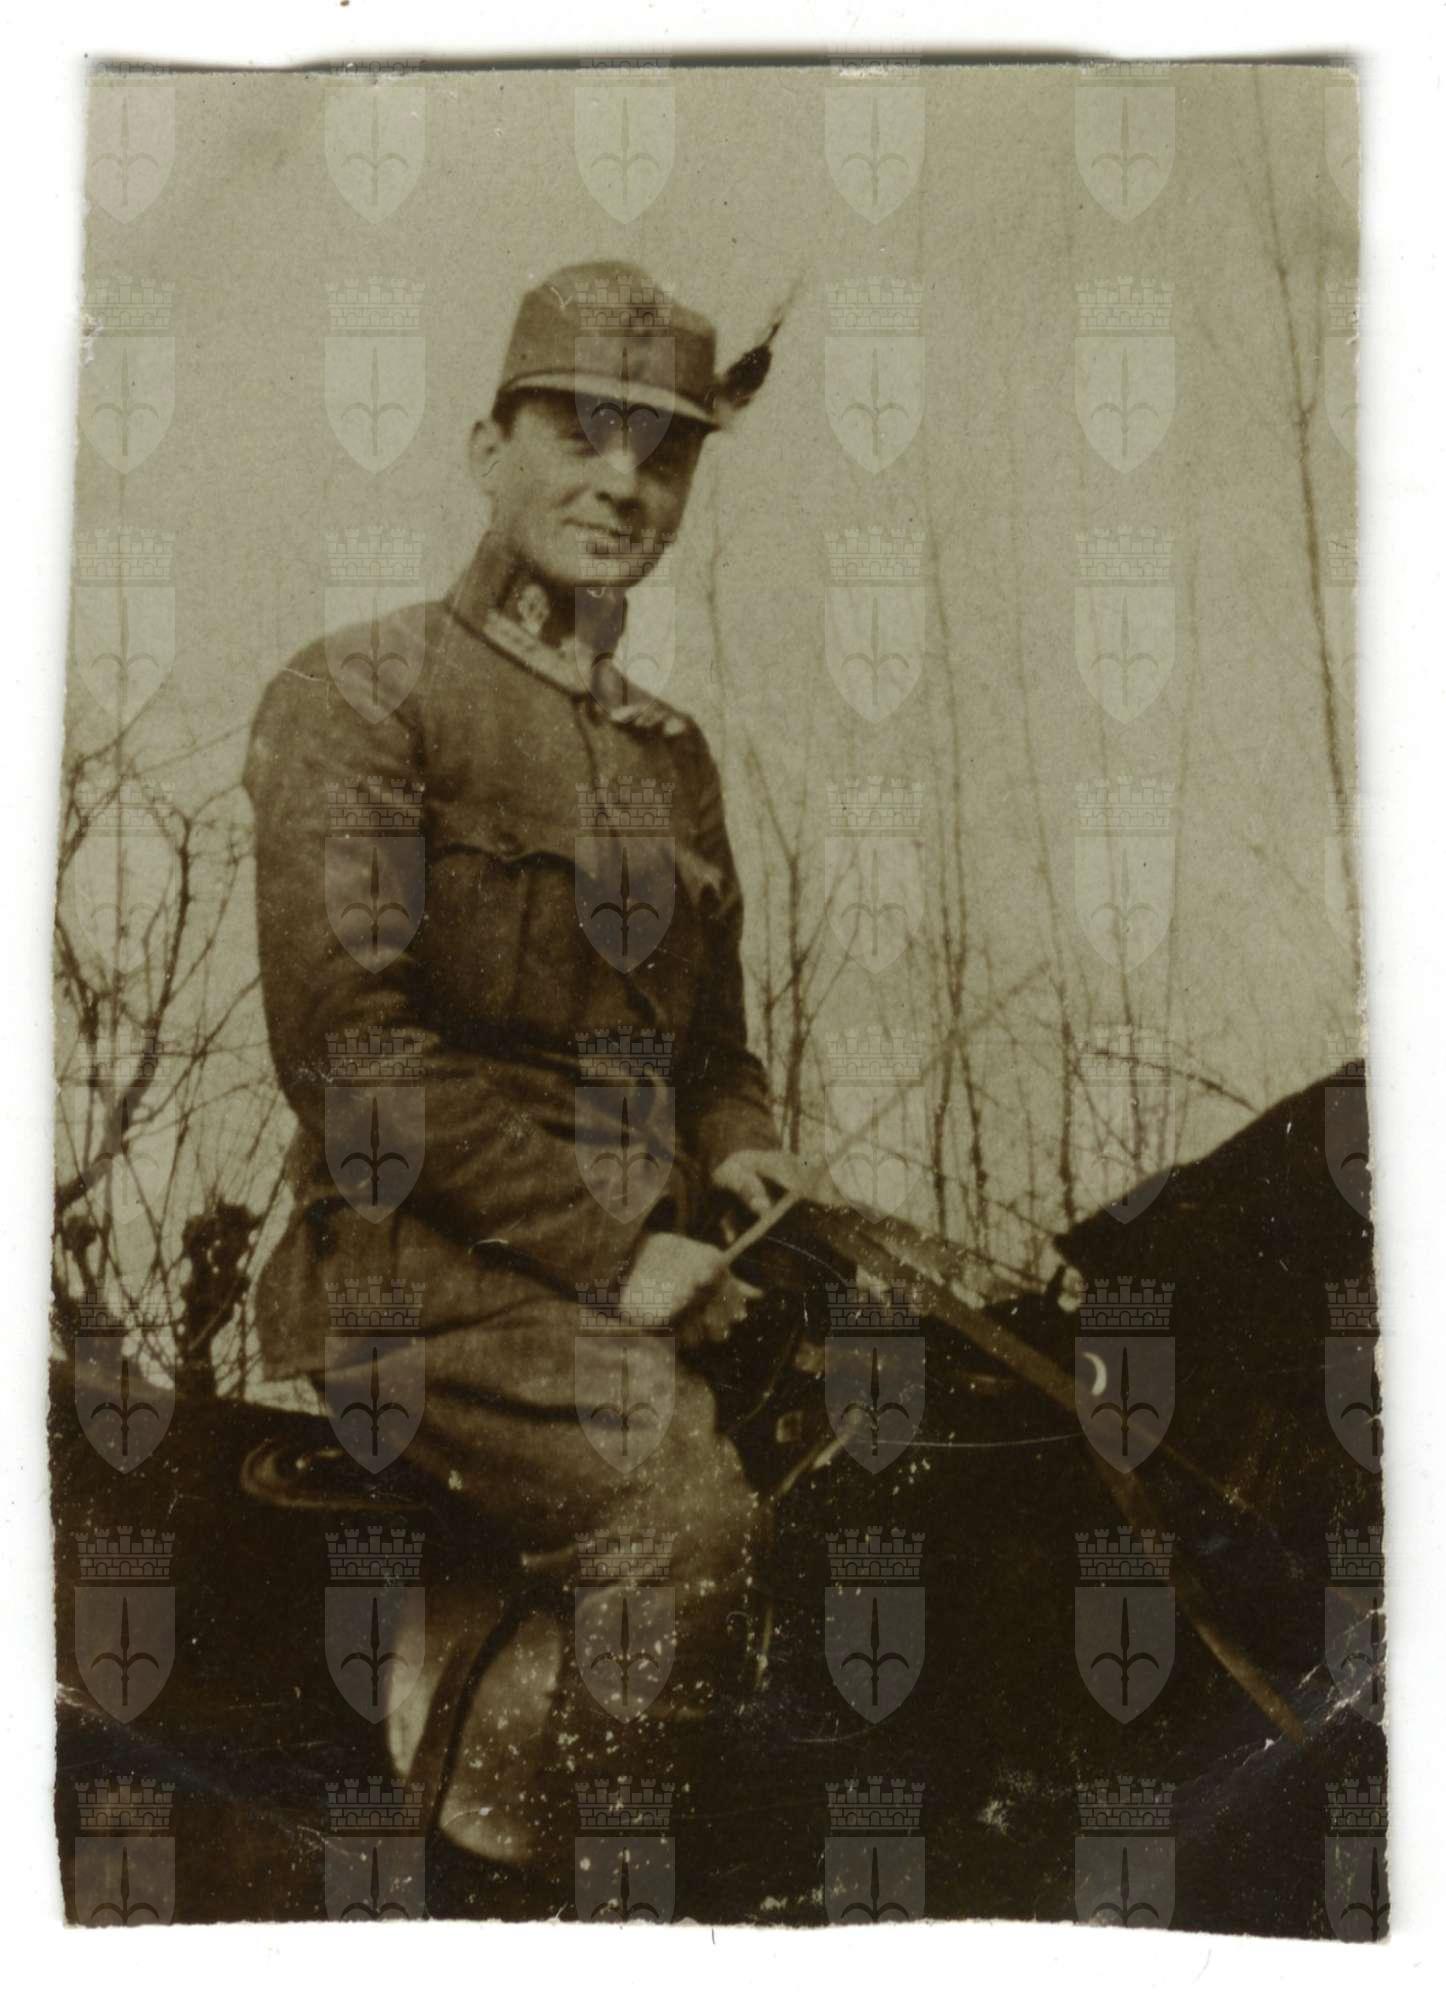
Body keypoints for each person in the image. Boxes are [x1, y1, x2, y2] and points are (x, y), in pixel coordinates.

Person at [242, 261, 806, 1866]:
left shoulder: (672, 760)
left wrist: (741, 1142)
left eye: (664, 451)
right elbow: (350, 1053)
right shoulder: (362, 694)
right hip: (423, 1281)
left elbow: (712, 1048)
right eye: (581, 432)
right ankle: (568, 1922)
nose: (623, 482)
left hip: (653, 1276)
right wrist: (615, 1250)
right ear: (487, 447)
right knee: (678, 1519)